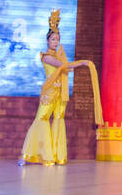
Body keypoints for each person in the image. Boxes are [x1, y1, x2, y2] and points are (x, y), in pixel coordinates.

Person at [20, 10, 82, 165]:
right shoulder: (46, 57)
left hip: (61, 93)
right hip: (49, 92)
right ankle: (27, 155)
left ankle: (56, 156)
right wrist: (83, 63)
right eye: (53, 39)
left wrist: (73, 65)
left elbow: (68, 68)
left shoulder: (59, 56)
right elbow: (64, 67)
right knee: (41, 118)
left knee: (59, 119)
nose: (55, 42)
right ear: (47, 41)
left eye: (58, 39)